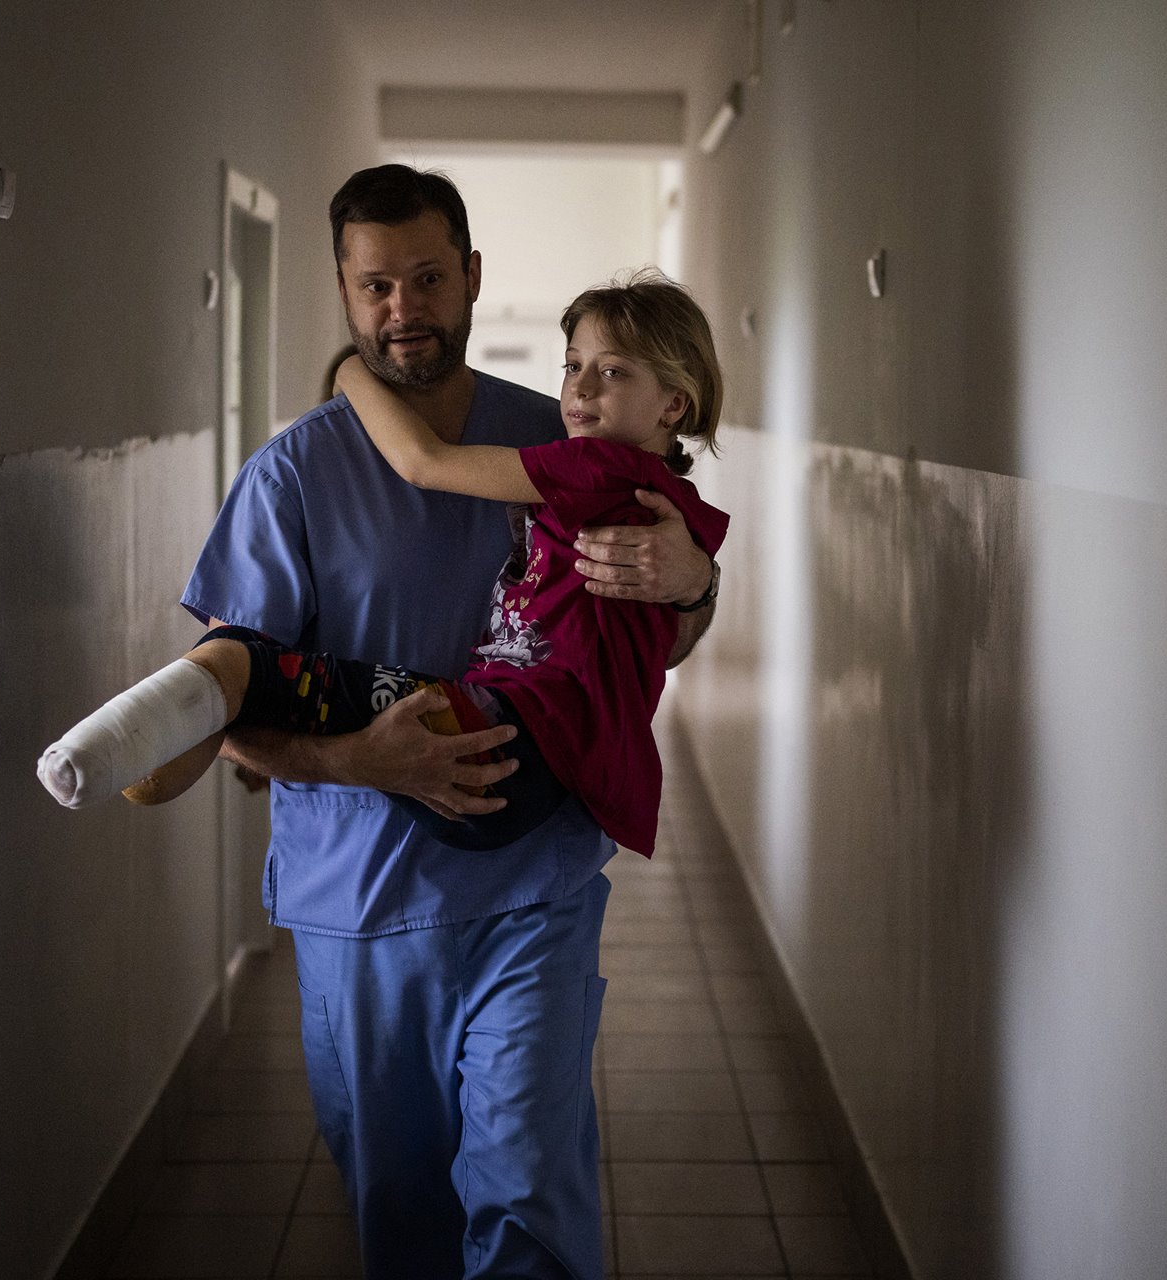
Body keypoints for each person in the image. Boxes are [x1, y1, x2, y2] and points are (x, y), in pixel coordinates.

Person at [106, 165, 716, 1279]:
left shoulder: (565, 445)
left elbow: (653, 636)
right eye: (375, 285)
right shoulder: (294, 475)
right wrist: (356, 756)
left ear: (472, 276)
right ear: (344, 291)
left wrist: (690, 584)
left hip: (535, 886)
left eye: (428, 277)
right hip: (365, 906)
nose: (404, 309)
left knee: (528, 1192)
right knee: (403, 1213)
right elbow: (234, 696)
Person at [38, 270, 729, 864]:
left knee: (246, 665)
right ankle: (164, 736)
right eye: (572, 365)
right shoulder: (679, 506)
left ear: (675, 402)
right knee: (257, 680)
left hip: (496, 743)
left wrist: (347, 372)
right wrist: (698, 577)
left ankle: (123, 746)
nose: (578, 392)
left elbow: (422, 462)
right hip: (536, 777)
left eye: (612, 372)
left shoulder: (593, 465)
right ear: (347, 287)